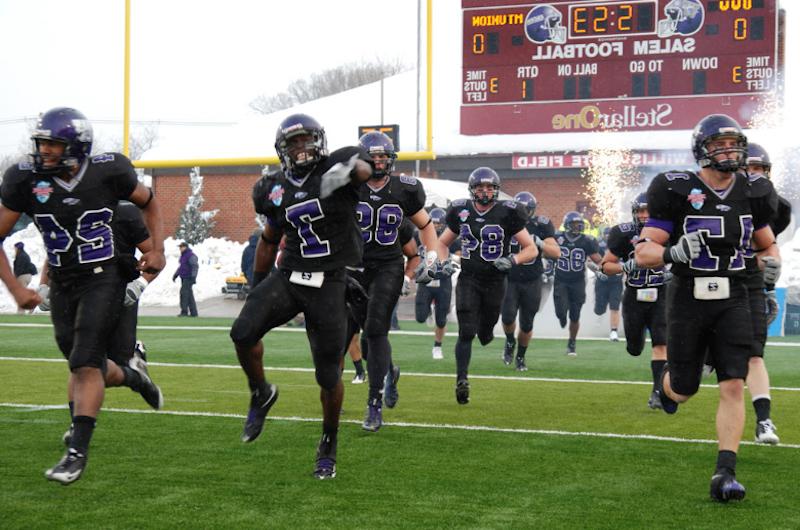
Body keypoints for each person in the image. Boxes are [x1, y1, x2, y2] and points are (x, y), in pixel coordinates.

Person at [0, 107, 165, 485]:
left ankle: (77, 452)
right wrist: (17, 288)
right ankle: (134, 377)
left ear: (76, 147)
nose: (44, 152)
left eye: (53, 146)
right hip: (62, 282)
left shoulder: (109, 172)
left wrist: (157, 250)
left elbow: (150, 202)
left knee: (86, 362)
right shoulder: (25, 181)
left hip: (103, 276)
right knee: (81, 365)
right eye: (41, 144)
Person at [635, 114, 780, 502]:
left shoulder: (754, 189)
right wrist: (672, 251)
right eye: (719, 145)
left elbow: (766, 244)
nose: (729, 150)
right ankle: (666, 388)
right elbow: (645, 250)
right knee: (684, 388)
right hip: (688, 297)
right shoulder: (676, 186)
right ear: (702, 150)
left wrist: (772, 263)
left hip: (734, 296)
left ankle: (725, 474)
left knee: (734, 381)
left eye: (733, 143)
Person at [229, 113, 373, 480]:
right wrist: (258, 281)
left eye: (306, 140)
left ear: (319, 141)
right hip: (290, 276)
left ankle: (329, 440)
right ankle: (260, 391)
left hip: (329, 282)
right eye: (293, 143)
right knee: (242, 332)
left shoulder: (335, 168)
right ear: (282, 150)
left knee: (328, 376)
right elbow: (270, 236)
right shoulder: (273, 187)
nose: (301, 147)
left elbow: (365, 164)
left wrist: (350, 172)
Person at [56, 201, 164, 446]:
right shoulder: (69, 209)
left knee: (110, 368)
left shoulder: (124, 213)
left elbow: (154, 256)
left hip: (118, 294)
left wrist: (140, 284)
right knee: (81, 364)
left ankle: (135, 373)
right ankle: (77, 425)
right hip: (82, 294)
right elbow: (57, 250)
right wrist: (45, 283)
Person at [353, 131, 438, 432]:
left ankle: (374, 403)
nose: (378, 163)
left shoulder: (405, 189)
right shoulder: (348, 187)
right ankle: (389, 371)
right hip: (353, 269)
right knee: (364, 336)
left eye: (383, 157)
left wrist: (428, 262)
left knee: (376, 330)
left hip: (388, 266)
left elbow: (427, 227)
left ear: (391, 160)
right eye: (372, 157)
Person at [435, 167, 538, 404]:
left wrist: (513, 259)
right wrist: (444, 264)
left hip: (495, 280)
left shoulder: (508, 212)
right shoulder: (461, 211)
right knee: (466, 331)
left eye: (490, 187)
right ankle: (461, 379)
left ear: (497, 190)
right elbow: (442, 244)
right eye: (480, 187)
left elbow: (531, 249)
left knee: (485, 334)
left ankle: (489, 331)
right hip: (468, 278)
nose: (485, 191)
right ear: (472, 189)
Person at [738, 142, 791, 444]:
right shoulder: (719, 200)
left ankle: (764, 421)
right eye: (750, 168)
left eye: (760, 169)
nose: (755, 175)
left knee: (754, 355)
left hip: (749, 282)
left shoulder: (777, 206)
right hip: (716, 280)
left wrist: (770, 278)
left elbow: (767, 248)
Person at [600, 193, 669, 409]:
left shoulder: (669, 232)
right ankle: (636, 346)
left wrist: (674, 272)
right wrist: (623, 267)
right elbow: (605, 265)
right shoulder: (623, 233)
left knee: (661, 343)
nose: (644, 215)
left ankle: (657, 391)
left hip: (661, 294)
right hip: (634, 295)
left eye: (648, 210)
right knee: (634, 348)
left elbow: (685, 258)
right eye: (640, 211)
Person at [500, 191, 559, 371]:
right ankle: (510, 342)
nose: (524, 214)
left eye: (527, 210)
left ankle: (521, 357)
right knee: (508, 316)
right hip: (510, 278)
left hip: (532, 280)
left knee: (527, 323)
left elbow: (556, 252)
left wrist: (540, 243)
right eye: (521, 210)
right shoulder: (504, 223)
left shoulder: (542, 225)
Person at [553, 211, 602, 356]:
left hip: (578, 281)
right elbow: (546, 250)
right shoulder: (558, 238)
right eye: (574, 224)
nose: (577, 227)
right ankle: (562, 318)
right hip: (561, 279)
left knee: (575, 315)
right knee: (561, 311)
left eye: (579, 224)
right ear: (567, 225)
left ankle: (572, 343)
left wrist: (604, 269)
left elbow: (597, 259)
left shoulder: (587, 240)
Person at [415, 207, 460, 360]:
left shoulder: (449, 237)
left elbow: (459, 254)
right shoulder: (419, 235)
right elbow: (412, 252)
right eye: (432, 223)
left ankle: (437, 347)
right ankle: (428, 310)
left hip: (443, 280)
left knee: (441, 320)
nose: (435, 226)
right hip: (425, 278)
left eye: (438, 224)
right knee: (420, 317)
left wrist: (450, 259)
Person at [592, 227, 623, 341]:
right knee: (599, 309)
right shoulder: (599, 246)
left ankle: (613, 331)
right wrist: (597, 272)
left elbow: (627, 263)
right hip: (602, 281)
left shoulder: (621, 245)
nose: (609, 237)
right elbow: (589, 262)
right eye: (607, 235)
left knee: (615, 306)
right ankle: (599, 318)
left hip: (616, 281)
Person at [173, 241, 198, 316]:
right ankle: (193, 312)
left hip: (189, 277)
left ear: (185, 247)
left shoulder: (190, 255)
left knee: (184, 294)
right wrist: (176, 274)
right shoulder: (183, 256)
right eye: (180, 247)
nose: (180, 248)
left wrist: (193, 276)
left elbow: (195, 266)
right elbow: (181, 267)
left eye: (181, 247)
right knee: (189, 295)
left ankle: (184, 312)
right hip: (184, 277)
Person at [12, 242, 37, 314]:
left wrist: (15, 277)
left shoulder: (21, 256)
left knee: (21, 294)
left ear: (18, 248)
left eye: (15, 248)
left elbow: (19, 268)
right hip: (27, 276)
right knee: (23, 293)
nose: (14, 249)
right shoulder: (24, 255)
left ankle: (21, 310)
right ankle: (30, 306)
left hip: (22, 276)